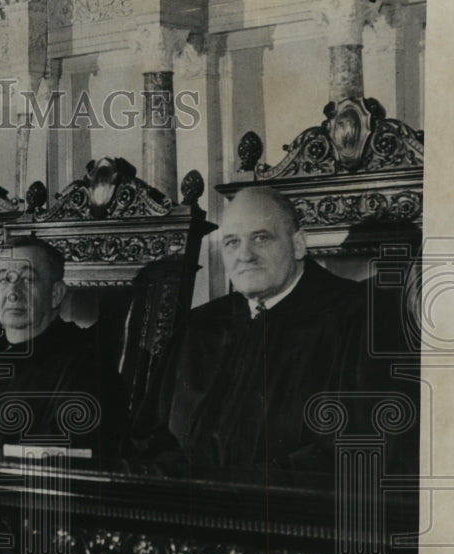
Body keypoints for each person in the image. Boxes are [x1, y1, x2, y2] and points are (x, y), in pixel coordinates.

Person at [140, 184, 383, 475]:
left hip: (289, 514)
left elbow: (356, 451)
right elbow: (146, 437)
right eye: (232, 242)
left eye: (261, 238)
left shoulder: (359, 317)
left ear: (298, 245)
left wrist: (230, 494)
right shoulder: (199, 325)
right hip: (184, 508)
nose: (245, 255)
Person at [0, 236, 120, 459]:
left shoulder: (86, 367)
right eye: (4, 280)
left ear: (55, 294)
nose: (12, 292)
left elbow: (68, 463)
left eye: (27, 279)